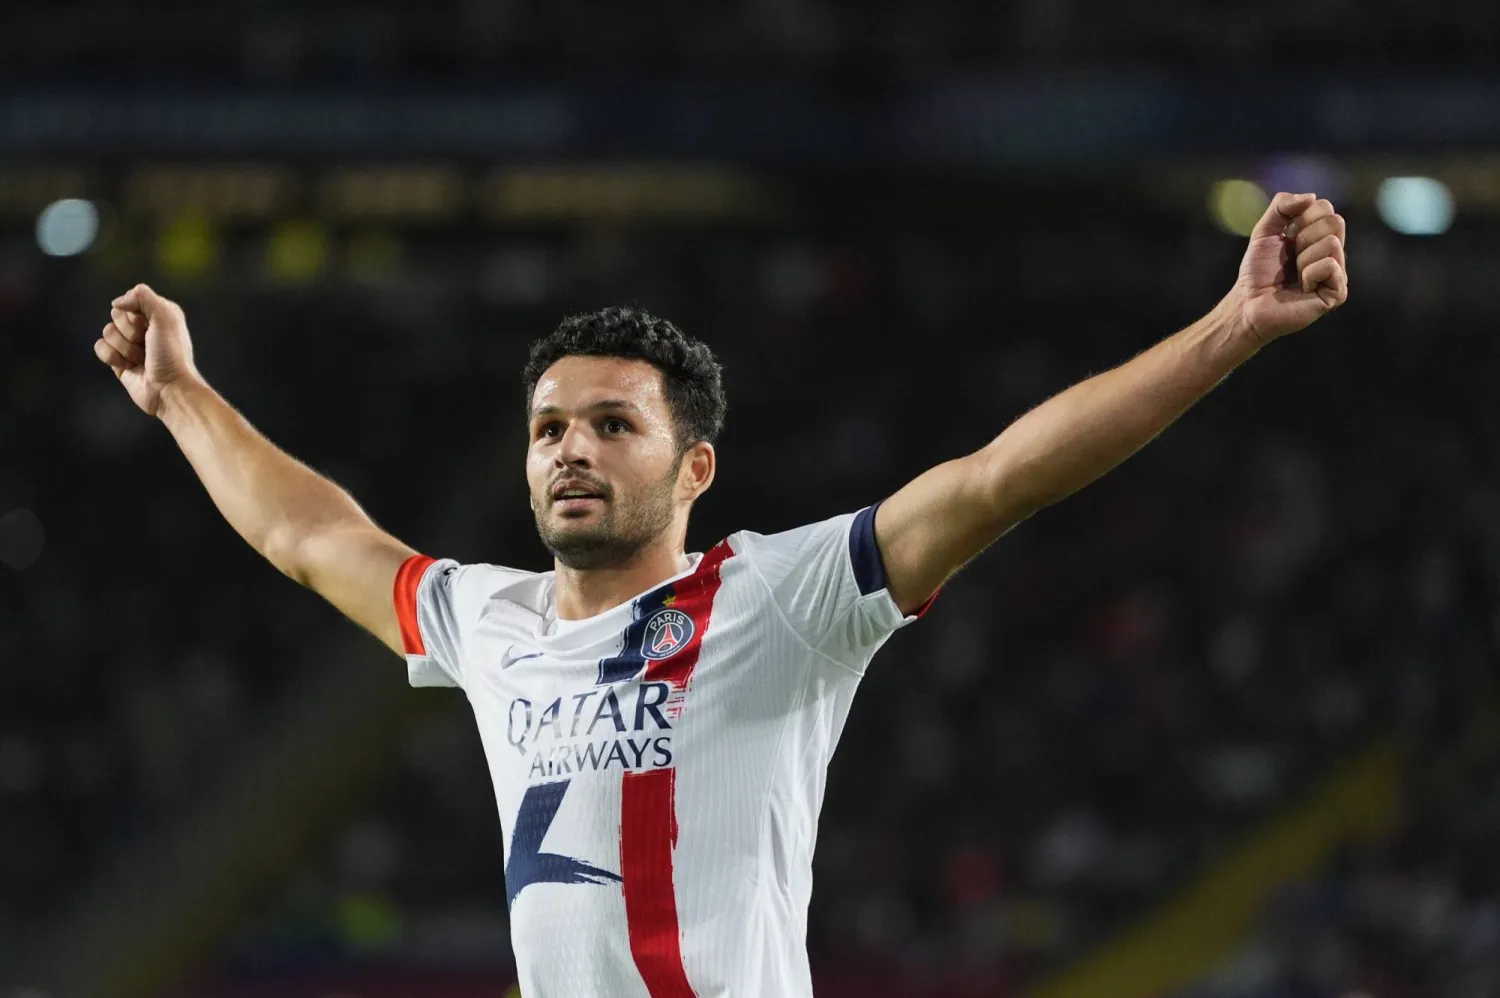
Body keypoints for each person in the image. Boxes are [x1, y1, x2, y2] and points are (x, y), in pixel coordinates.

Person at [93, 192, 1347, 997]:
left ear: (693, 466)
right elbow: (314, 536)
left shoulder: (776, 599)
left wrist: (1232, 326)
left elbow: (997, 479)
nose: (567, 449)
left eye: (609, 424)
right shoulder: (492, 622)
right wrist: (182, 396)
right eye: (545, 428)